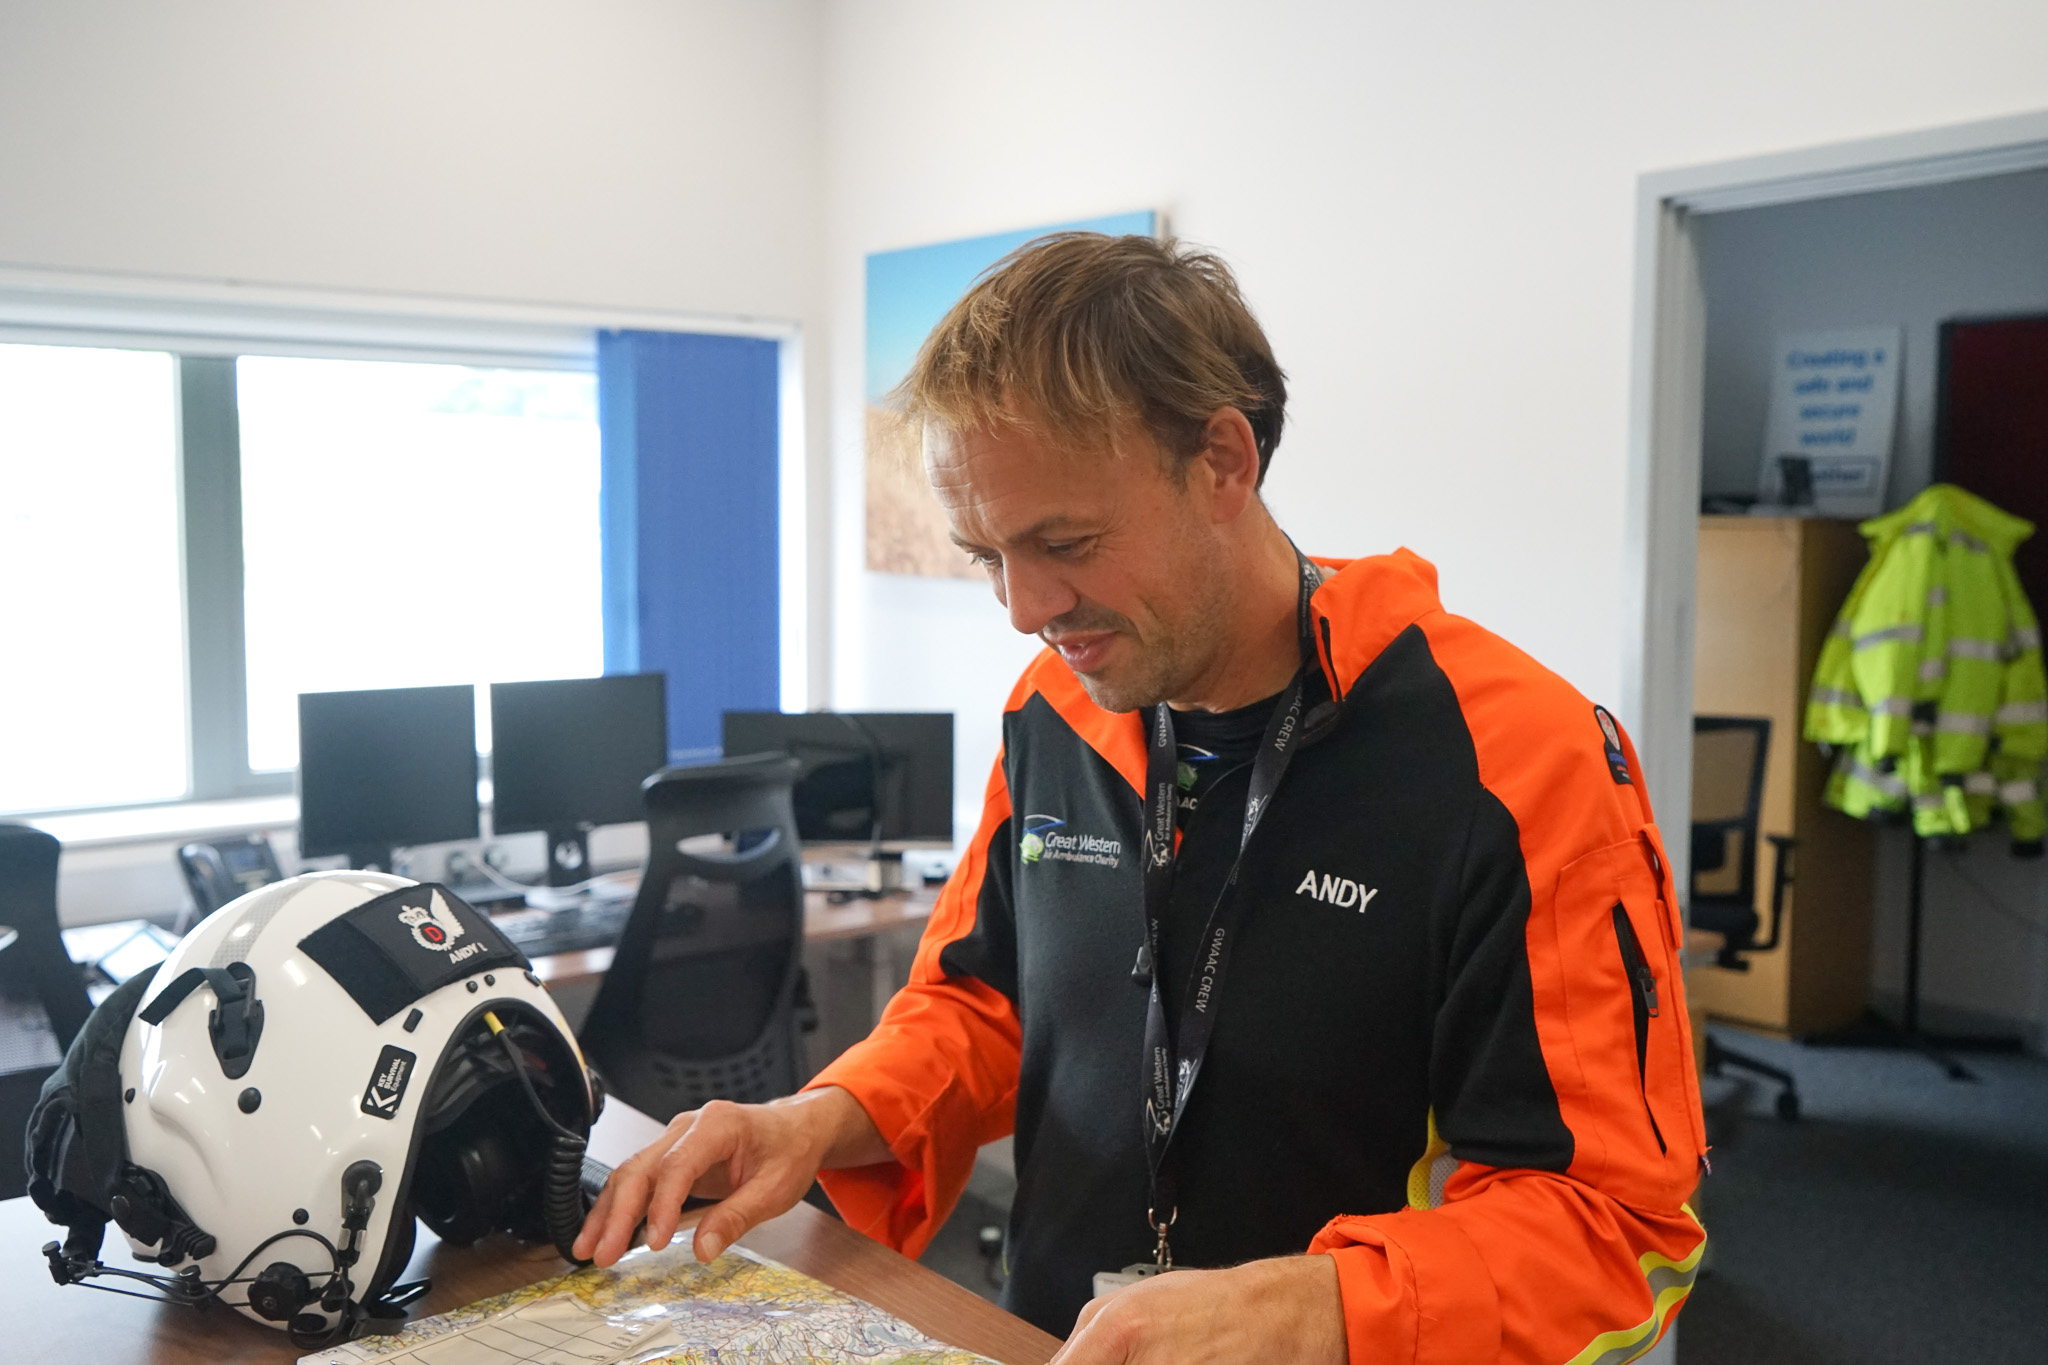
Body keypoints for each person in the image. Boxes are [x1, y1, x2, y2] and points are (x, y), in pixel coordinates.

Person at [576, 234, 1709, 1363]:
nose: (1024, 609)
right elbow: (981, 1005)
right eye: (985, 557)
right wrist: (814, 1118)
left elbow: (1620, 1228)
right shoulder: (1055, 709)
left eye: (1062, 542)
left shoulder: (1522, 760)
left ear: (1222, 461)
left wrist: (1304, 1307)